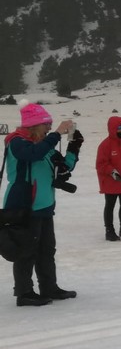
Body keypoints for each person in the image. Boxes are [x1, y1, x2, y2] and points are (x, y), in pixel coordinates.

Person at [3, 102, 80, 306]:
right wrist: (56, 135)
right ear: (34, 125)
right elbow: (32, 154)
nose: (48, 128)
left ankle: (49, 287)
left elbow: (65, 167)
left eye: (50, 125)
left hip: (44, 206)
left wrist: (74, 147)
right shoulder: (17, 143)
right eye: (46, 124)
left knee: (47, 249)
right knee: (26, 250)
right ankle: (24, 293)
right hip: (24, 206)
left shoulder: (44, 146)